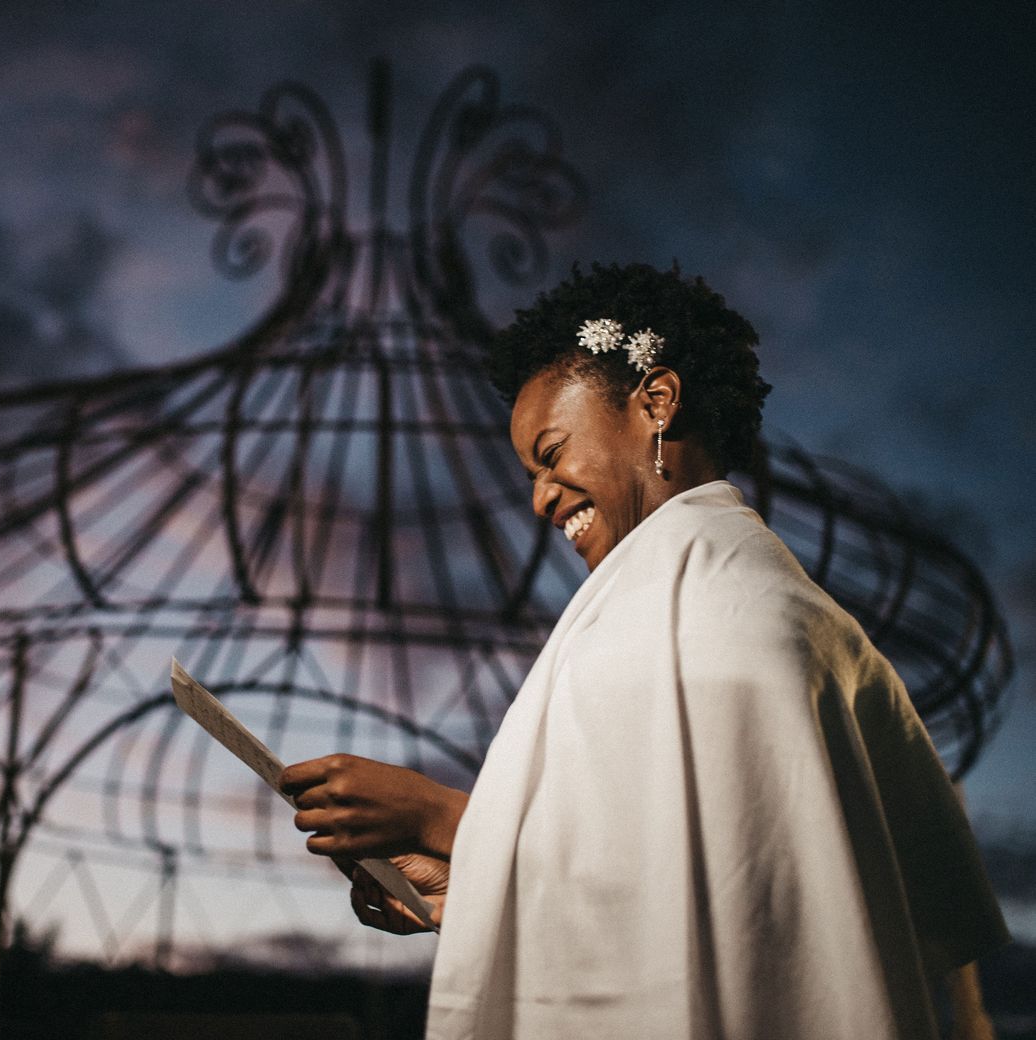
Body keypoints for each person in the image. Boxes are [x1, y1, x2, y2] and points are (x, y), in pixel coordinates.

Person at [280, 264, 1008, 1039]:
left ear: (655, 402)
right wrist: (474, 882)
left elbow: (729, 890)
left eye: (552, 453)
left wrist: (438, 816)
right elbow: (704, 888)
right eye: (530, 474)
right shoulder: (762, 606)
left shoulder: (714, 612)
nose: (540, 498)